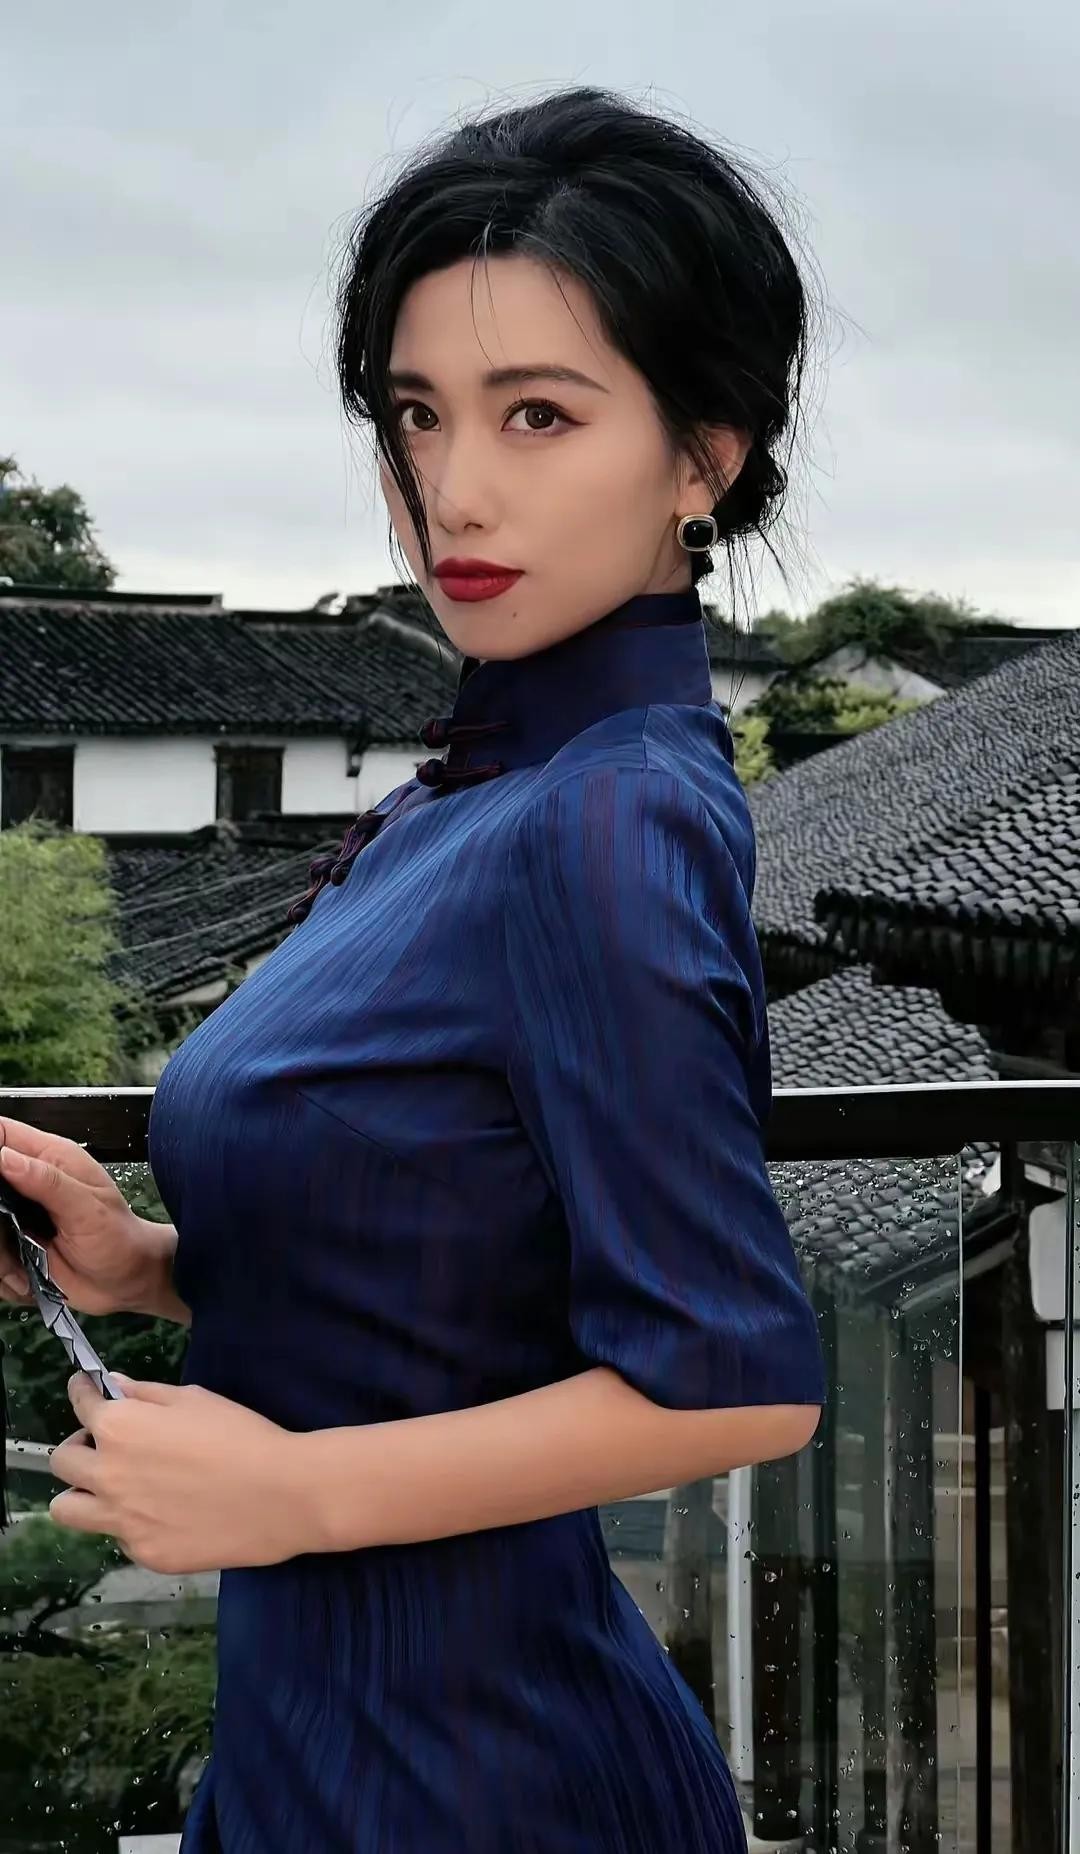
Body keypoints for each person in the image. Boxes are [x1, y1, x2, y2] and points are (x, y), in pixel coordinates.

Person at [0, 85, 826, 1854]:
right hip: (331, 1751)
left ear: (705, 453)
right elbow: (459, 1278)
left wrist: (294, 1491)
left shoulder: (607, 817)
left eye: (540, 414)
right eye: (415, 415)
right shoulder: (473, 794)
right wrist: (143, 1265)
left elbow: (735, 1374)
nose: (451, 487)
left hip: (484, 1783)